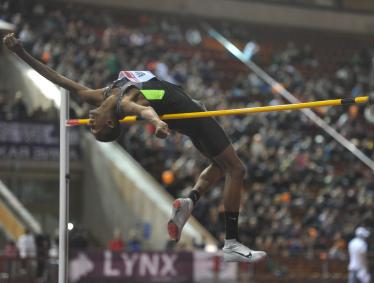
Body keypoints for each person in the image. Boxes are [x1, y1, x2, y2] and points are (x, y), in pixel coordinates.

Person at [3, 33, 266, 263]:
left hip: (188, 109)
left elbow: (59, 79)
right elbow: (145, 110)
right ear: (110, 122)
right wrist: (158, 125)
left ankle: (190, 201)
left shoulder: (103, 94)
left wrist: (21, 52)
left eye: (93, 128)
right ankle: (231, 243)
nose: (91, 124)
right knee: (237, 169)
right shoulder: (123, 105)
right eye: (97, 129)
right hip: (192, 117)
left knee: (221, 166)